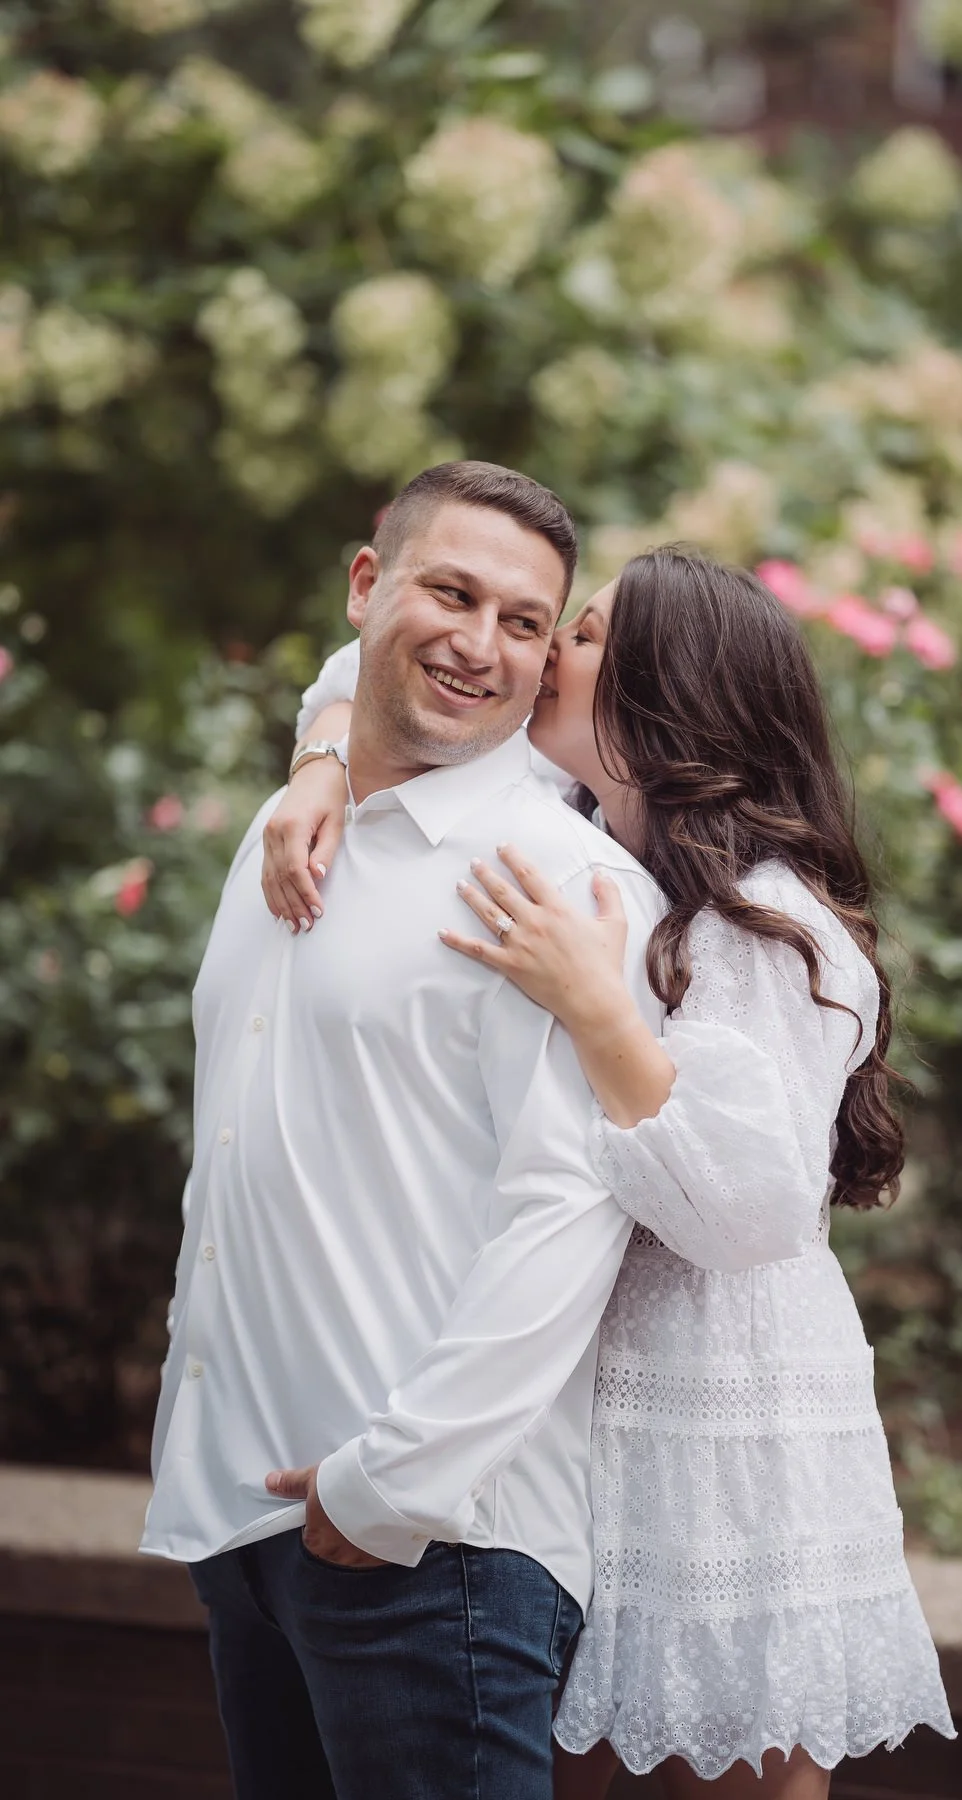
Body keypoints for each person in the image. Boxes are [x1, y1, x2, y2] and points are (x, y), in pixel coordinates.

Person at [266, 545, 955, 1797]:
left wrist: (604, 1016)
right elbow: (368, 665)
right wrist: (319, 761)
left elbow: (749, 1213)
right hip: (597, 1421)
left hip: (726, 1417)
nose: (534, 659)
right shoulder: (580, 828)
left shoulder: (771, 919)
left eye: (577, 638)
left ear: (662, 696)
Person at [140, 461, 664, 1800]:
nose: (480, 645)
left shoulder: (559, 880)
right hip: (253, 1523)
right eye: (450, 592)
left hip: (439, 1554)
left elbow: (570, 1212)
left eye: (525, 622)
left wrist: (392, 1489)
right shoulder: (289, 826)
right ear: (366, 589)